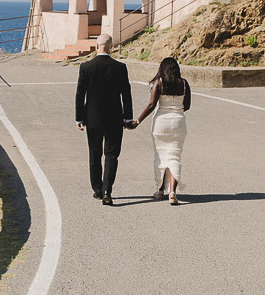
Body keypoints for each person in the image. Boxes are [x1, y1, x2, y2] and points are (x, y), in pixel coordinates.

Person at [75, 33, 135, 206]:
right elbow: (126, 94)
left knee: (94, 154)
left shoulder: (86, 67)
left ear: (96, 46)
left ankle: (98, 189)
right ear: (111, 48)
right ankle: (108, 190)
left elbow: (80, 94)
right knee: (112, 155)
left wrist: (79, 117)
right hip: (115, 118)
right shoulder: (120, 67)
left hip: (92, 118)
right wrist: (128, 117)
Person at [133, 57, 191, 205]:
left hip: (161, 123)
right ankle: (172, 192)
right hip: (179, 121)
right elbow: (187, 105)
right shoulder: (184, 84)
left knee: (160, 155)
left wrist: (137, 121)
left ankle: (160, 190)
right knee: (174, 156)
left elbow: (152, 104)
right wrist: (176, 110)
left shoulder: (158, 82)